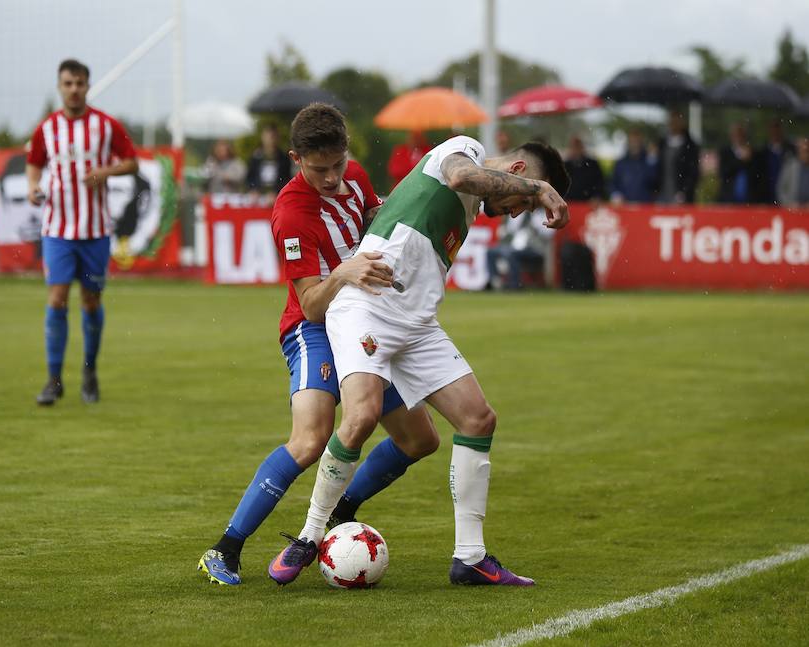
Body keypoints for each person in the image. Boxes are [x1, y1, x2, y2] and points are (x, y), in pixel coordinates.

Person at [272, 136, 570, 587]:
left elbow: (407, 203)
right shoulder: (465, 151)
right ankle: (309, 535)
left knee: (477, 419)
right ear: (519, 170)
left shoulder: (468, 204)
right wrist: (538, 191)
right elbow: (458, 175)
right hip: (367, 306)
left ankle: (469, 557)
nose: (515, 212)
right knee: (362, 416)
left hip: (416, 323)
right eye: (520, 202)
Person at [197, 103, 439, 586]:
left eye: (337, 165)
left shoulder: (357, 177)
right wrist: (346, 271)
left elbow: (377, 221)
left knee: (421, 439)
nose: (331, 178)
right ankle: (225, 548)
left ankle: (340, 509)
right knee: (310, 439)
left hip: (368, 325)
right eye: (318, 169)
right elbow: (309, 303)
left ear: (347, 153)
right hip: (314, 329)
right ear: (295, 158)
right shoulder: (291, 214)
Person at [26, 59, 137, 406]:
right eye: (68, 83)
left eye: (79, 83)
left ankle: (89, 372)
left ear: (88, 86)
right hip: (57, 229)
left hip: (94, 231)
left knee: (91, 301)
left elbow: (131, 161)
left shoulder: (105, 125)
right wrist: (32, 187)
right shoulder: (46, 128)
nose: (74, 89)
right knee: (57, 298)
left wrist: (106, 172)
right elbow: (33, 164)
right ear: (60, 87)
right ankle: (53, 379)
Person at [485, 208, 554, 290]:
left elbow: (547, 234)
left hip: (533, 248)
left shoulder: (537, 214)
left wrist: (536, 227)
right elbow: (507, 232)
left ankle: (514, 286)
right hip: (513, 246)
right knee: (491, 252)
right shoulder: (511, 215)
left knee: (512, 254)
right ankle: (496, 282)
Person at [655, 112, 699, 204]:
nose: (674, 124)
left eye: (676, 121)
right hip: (663, 194)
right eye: (672, 121)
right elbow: (658, 169)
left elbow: (693, 172)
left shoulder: (690, 146)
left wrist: (684, 191)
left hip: (682, 196)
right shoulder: (662, 143)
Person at [718, 122, 765, 204]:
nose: (738, 137)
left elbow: (758, 175)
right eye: (735, 134)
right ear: (731, 136)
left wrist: (749, 159)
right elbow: (724, 173)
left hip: (749, 199)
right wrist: (741, 160)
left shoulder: (753, 153)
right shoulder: (725, 152)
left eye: (740, 134)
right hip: (729, 198)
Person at [609, 129, 658, 203]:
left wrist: (652, 160)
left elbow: (654, 182)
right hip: (624, 205)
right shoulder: (620, 163)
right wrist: (615, 194)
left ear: (641, 143)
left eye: (637, 141)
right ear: (628, 143)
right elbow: (613, 182)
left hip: (644, 205)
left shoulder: (649, 161)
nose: (634, 144)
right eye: (632, 141)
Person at [245, 123, 292, 197]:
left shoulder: (284, 158)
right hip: (258, 197)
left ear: (278, 138)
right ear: (262, 137)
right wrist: (253, 189)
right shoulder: (255, 157)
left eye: (273, 136)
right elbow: (249, 178)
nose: (270, 139)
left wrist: (277, 192)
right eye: (268, 136)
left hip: (276, 197)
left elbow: (286, 179)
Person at [759, 119, 795, 204]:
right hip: (767, 196)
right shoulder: (763, 153)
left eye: (777, 129)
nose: (775, 132)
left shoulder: (791, 150)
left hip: (787, 197)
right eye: (772, 129)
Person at [563, 135, 605, 201]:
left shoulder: (592, 164)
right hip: (570, 203)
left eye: (578, 146)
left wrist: (597, 196)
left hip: (589, 204)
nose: (576, 149)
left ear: (582, 147)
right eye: (573, 147)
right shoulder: (564, 166)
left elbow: (600, 183)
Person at [777, 136, 809, 208]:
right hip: (792, 210)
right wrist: (790, 204)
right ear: (798, 151)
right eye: (803, 151)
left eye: (807, 151)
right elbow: (781, 190)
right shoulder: (790, 166)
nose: (806, 154)